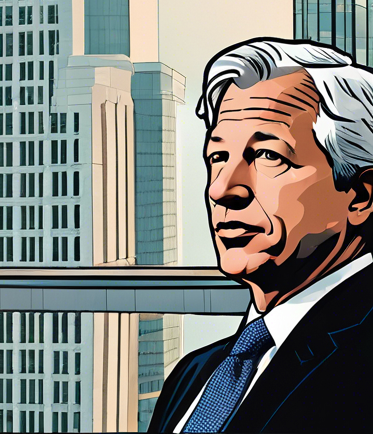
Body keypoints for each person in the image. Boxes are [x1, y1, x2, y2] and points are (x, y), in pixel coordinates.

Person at [148, 38, 373, 433]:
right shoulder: (193, 374)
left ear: (359, 195)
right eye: (218, 157)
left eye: (269, 155)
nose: (222, 189)